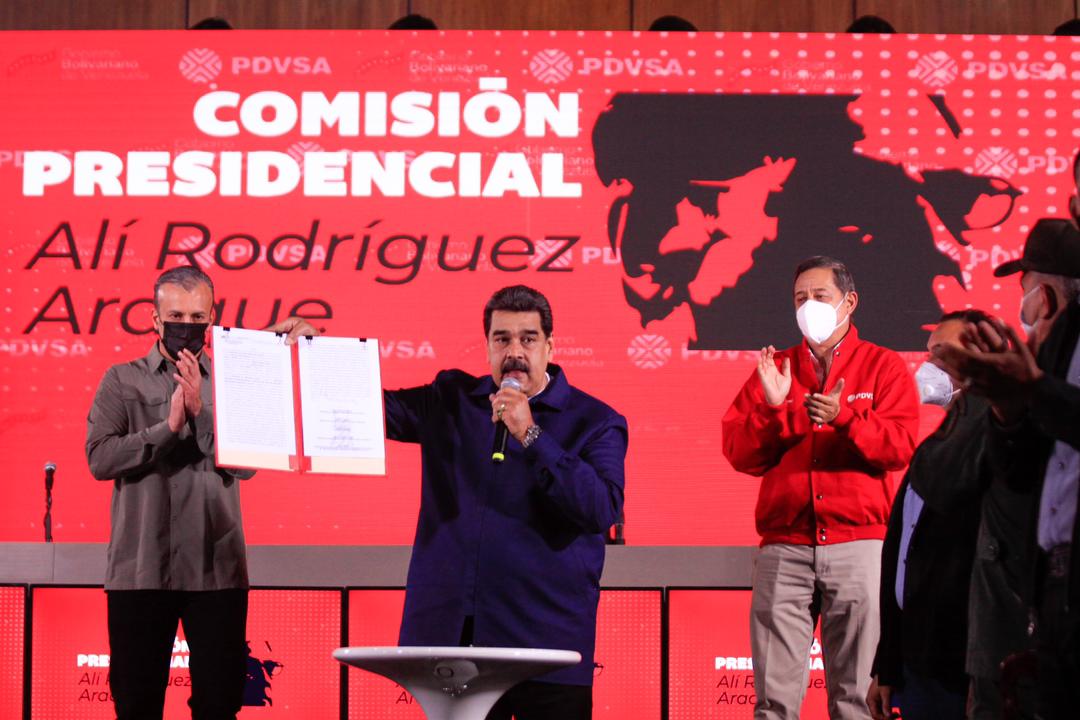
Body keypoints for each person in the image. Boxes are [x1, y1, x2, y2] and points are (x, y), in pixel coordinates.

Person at [384, 285, 627, 720]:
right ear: (488, 347)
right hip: (457, 648)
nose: (514, 352)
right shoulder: (451, 401)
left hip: (548, 651)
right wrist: (298, 355)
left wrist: (530, 434)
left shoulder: (596, 421)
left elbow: (600, 509)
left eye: (528, 339)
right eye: (502, 339)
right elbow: (364, 408)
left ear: (549, 347)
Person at [85, 266, 314, 720]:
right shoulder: (121, 380)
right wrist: (168, 428)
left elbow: (247, 464)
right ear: (155, 319)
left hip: (216, 571)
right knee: (135, 705)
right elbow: (100, 459)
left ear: (212, 318)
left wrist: (200, 413)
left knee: (219, 704)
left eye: (196, 316)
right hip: (140, 568)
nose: (185, 325)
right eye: (175, 316)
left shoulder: (233, 379)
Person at [722, 256, 919, 720]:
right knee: (772, 703)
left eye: (820, 296)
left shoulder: (884, 366)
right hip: (784, 549)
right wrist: (778, 413)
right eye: (800, 298)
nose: (808, 306)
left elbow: (900, 447)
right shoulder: (777, 367)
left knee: (858, 700)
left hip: (859, 547)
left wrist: (845, 418)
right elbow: (739, 452)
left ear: (849, 302)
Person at [935, 218, 1080, 719]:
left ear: (1045, 297)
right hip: (1050, 593)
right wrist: (1004, 408)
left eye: (1024, 291)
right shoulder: (1053, 350)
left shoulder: (1045, 364)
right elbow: (1018, 471)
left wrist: (1032, 389)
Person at [867, 310, 994, 720]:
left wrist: (982, 674)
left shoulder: (996, 444)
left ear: (981, 356)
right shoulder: (934, 445)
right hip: (915, 664)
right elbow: (902, 554)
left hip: (962, 669)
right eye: (929, 353)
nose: (927, 365)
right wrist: (888, 664)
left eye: (942, 354)